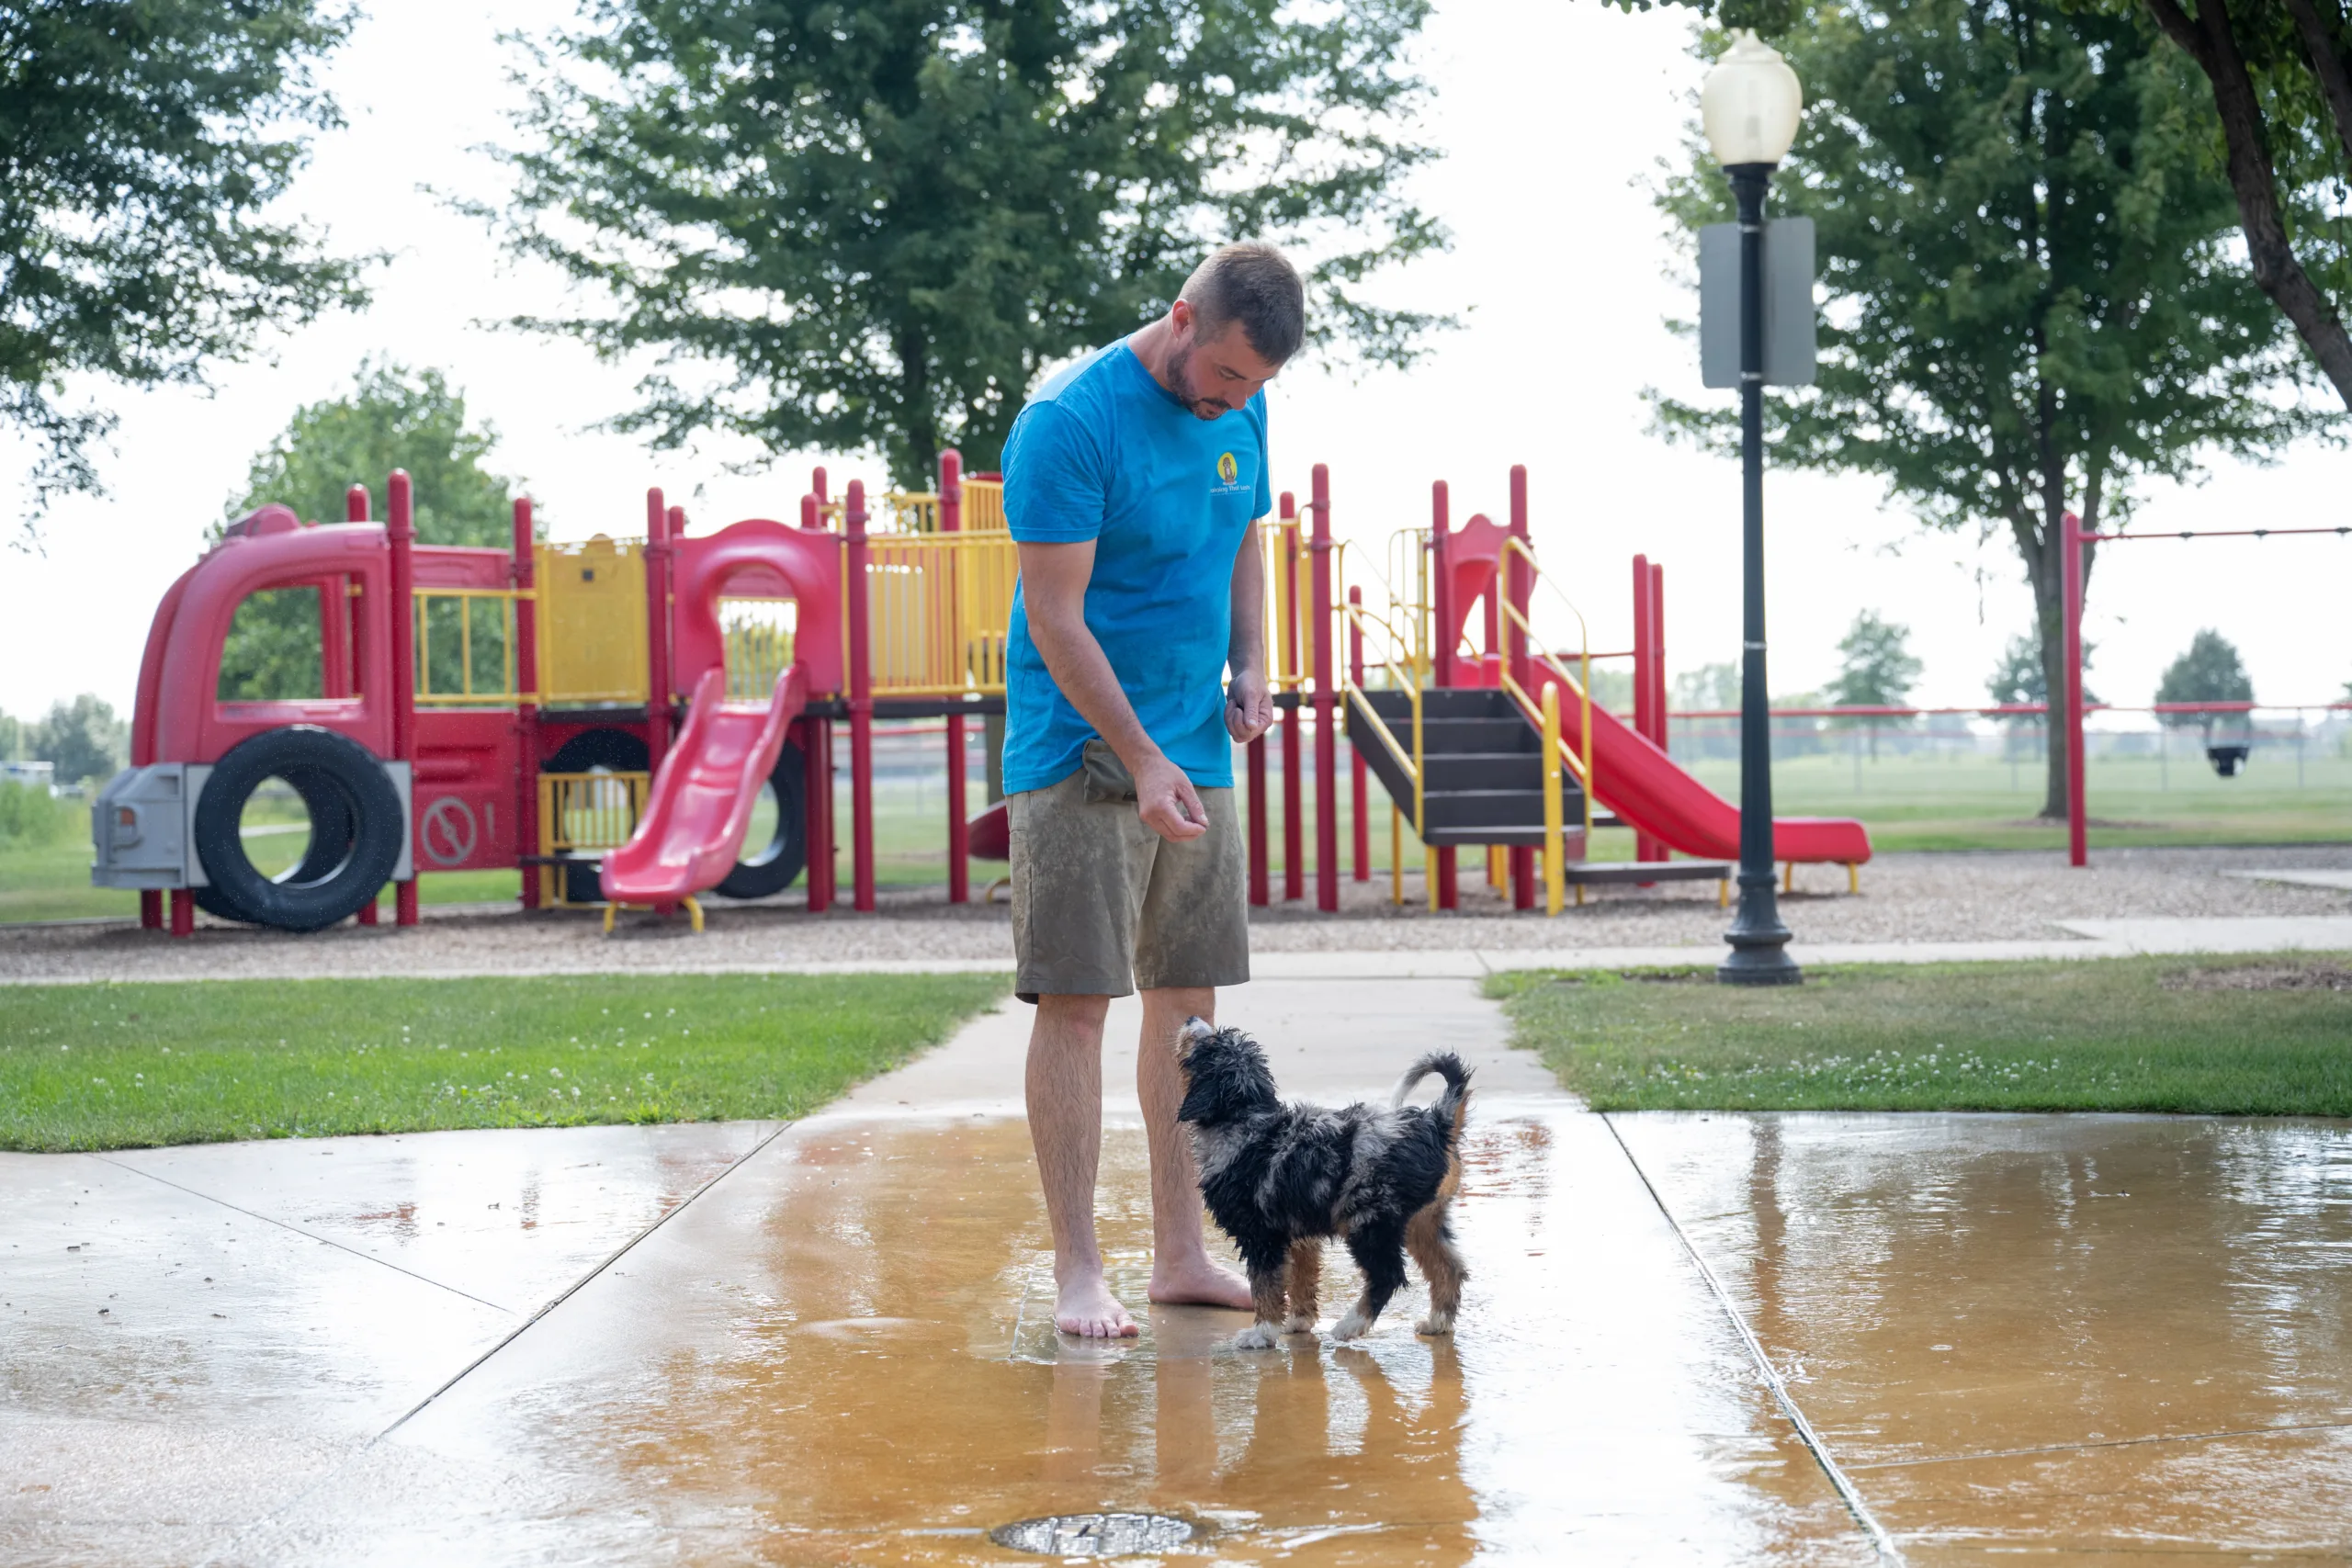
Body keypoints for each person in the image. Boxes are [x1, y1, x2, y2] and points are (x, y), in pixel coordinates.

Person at [1001, 242, 1305, 1337]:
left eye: (1257, 388)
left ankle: (1182, 1253)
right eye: (1225, 377)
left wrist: (1252, 665)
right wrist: (1139, 757)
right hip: (1082, 750)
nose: (1236, 403)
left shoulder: (1245, 406)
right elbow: (1056, 617)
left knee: (1188, 1008)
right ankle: (1078, 1268)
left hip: (1195, 746)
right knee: (1078, 1006)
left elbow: (1242, 542)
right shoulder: (1068, 424)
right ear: (1182, 320)